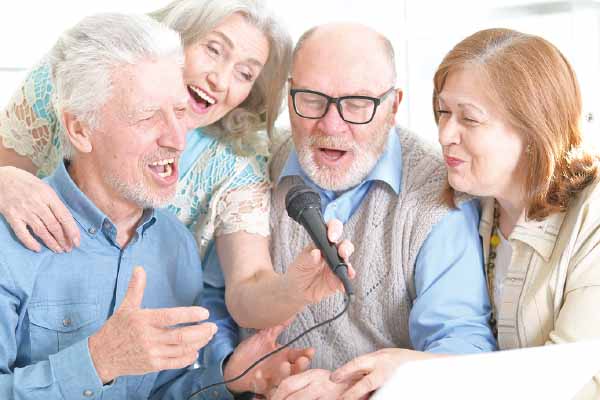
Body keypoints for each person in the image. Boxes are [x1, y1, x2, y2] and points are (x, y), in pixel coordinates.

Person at [0, 13, 314, 400]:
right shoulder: (10, 243)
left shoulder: (178, 245)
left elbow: (163, 388)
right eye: (149, 116)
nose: (178, 139)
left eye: (179, 113)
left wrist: (228, 377)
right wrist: (97, 361)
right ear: (79, 129)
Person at [264, 22, 496, 400]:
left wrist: (349, 390)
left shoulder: (440, 193)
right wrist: (236, 368)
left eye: (357, 104)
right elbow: (217, 305)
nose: (331, 124)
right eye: (311, 98)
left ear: (393, 107)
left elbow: (463, 351)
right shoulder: (257, 165)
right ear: (289, 95)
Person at [432, 28, 600, 399]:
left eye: (469, 120)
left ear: (533, 132)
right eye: (444, 112)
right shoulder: (472, 206)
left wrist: (423, 373)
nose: (445, 134)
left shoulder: (593, 218)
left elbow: (574, 385)